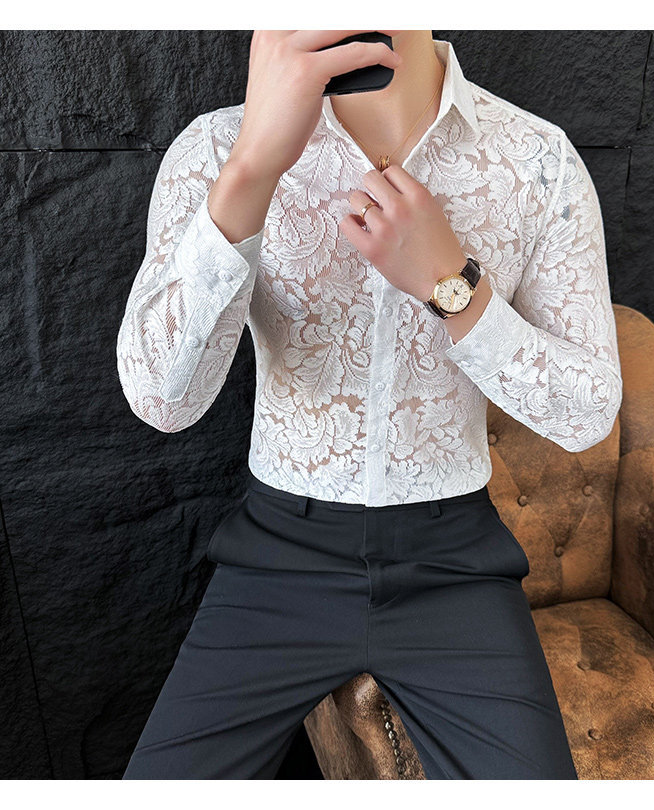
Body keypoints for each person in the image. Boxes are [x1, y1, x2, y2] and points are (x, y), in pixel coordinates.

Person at [118, 29, 621, 779]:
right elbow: (163, 399)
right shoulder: (216, 147)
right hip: (276, 557)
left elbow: (588, 414)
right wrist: (253, 167)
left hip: (455, 564)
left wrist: (453, 286)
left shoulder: (535, 160)